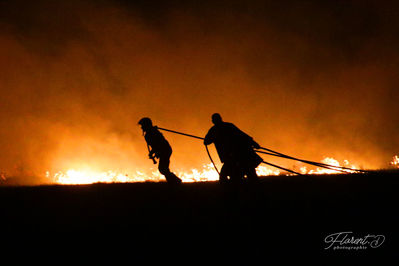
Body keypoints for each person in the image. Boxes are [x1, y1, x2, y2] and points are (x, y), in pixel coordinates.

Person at [204, 113, 262, 183]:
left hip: (233, 156)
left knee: (229, 175)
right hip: (240, 154)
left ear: (213, 121)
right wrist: (254, 143)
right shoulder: (228, 126)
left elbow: (206, 141)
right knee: (248, 172)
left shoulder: (214, 130)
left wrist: (253, 143)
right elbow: (242, 135)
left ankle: (234, 190)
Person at [138, 117, 182, 184]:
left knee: (163, 168)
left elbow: (158, 144)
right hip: (164, 150)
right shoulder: (150, 133)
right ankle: (173, 181)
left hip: (165, 150)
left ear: (147, 125)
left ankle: (175, 181)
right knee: (163, 168)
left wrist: (155, 152)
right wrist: (153, 152)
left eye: (142, 125)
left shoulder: (152, 133)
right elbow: (155, 145)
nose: (141, 128)